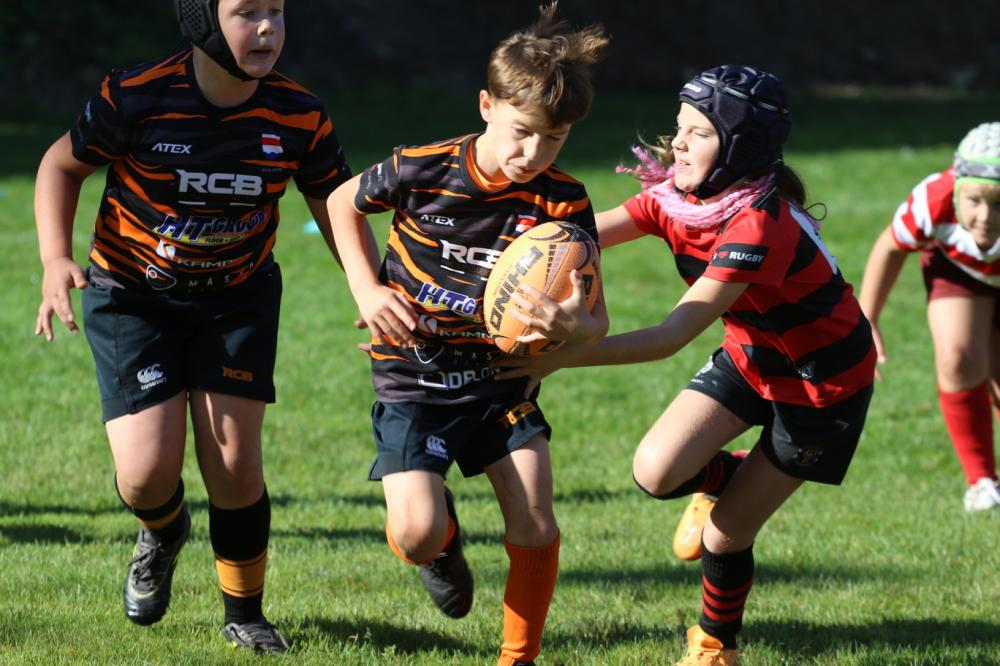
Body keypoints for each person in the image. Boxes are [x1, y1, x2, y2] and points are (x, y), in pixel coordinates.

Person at [496, 65, 876, 665]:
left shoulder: (758, 225)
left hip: (822, 386)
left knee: (725, 534)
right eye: (679, 127)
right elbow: (576, 236)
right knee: (656, 472)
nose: (677, 143)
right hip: (751, 357)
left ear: (740, 148)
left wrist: (561, 358)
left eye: (697, 133)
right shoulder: (677, 199)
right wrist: (492, 255)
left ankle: (715, 647)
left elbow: (671, 335)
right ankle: (730, 477)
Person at [33, 0, 353, 653]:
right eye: (246, 12)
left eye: (276, 11)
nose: (266, 28)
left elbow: (334, 202)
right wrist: (54, 259)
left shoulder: (298, 112)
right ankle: (163, 527)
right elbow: (60, 165)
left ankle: (245, 613)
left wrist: (369, 285)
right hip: (132, 298)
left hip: (237, 300)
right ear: (201, 19)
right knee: (145, 477)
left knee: (234, 463)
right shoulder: (138, 95)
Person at [326, 4, 608, 665]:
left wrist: (573, 330)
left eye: (554, 140)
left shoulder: (563, 202)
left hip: (500, 377)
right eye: (521, 132)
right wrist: (367, 289)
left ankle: (518, 657)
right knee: (417, 534)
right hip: (413, 371)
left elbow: (597, 321)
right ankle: (441, 544)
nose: (532, 154)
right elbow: (342, 202)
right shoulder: (423, 169)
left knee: (535, 518)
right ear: (486, 105)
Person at [859, 122, 1000, 512]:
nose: (986, 216)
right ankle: (982, 482)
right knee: (957, 357)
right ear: (956, 188)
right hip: (958, 270)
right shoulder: (933, 199)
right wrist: (868, 319)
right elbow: (889, 247)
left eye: (999, 203)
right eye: (974, 200)